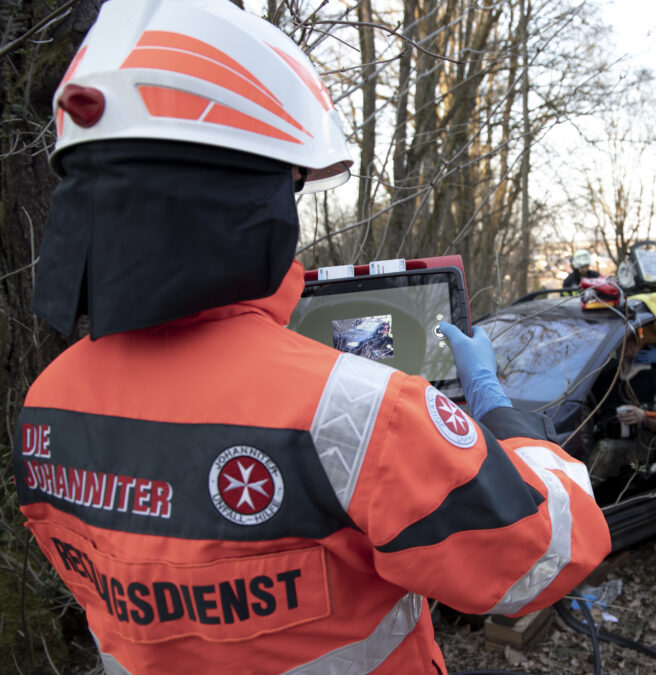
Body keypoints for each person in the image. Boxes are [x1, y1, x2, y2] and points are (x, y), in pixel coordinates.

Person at [13, 2, 610, 672]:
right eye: (290, 185)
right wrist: (501, 411)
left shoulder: (45, 404)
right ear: (250, 196)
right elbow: (545, 555)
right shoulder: (357, 412)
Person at [586, 332, 656, 481]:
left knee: (605, 448)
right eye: (624, 340)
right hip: (604, 435)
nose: (628, 344)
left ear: (644, 344)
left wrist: (643, 418)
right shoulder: (607, 378)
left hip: (643, 444)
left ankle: (583, 495)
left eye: (634, 340)